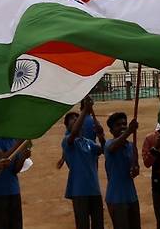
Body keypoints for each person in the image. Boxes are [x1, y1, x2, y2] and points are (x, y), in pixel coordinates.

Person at [62, 97, 106, 229]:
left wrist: (101, 136)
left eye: (77, 118)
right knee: (83, 225)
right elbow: (75, 131)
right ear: (67, 127)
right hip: (79, 191)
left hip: (94, 189)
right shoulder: (67, 141)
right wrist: (86, 109)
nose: (76, 121)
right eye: (72, 120)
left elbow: (104, 150)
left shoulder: (88, 143)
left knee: (99, 224)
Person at [0, 137, 31, 229]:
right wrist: (18, 144)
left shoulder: (12, 139)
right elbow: (2, 159)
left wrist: (23, 157)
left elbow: (15, 169)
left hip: (13, 189)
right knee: (1, 225)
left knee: (16, 225)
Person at [104, 112, 141, 229]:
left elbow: (136, 169)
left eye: (124, 124)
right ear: (111, 130)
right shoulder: (109, 144)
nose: (122, 127)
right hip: (116, 197)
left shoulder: (131, 146)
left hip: (131, 196)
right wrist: (129, 131)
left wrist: (135, 170)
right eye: (118, 125)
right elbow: (112, 148)